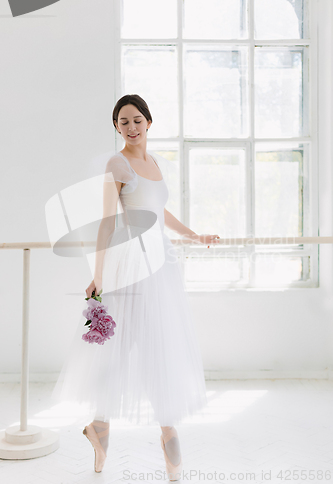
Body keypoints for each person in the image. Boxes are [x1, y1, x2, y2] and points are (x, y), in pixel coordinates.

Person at [53, 94, 220, 480]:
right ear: (116, 127)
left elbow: (159, 212)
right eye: (123, 121)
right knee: (124, 346)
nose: (131, 126)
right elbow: (107, 222)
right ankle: (117, 428)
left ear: (149, 121)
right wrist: (98, 274)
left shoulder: (155, 162)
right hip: (129, 265)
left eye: (137, 119)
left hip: (161, 266)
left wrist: (194, 236)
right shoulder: (118, 163)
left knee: (157, 344)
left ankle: (133, 429)